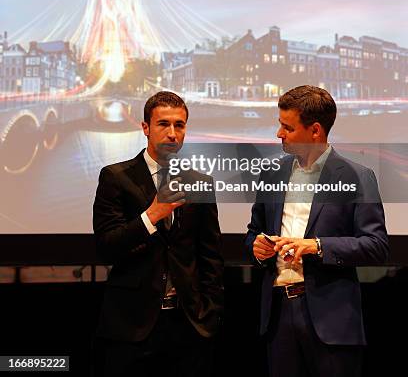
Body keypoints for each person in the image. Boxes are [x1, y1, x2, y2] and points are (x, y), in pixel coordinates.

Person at [245, 85, 389, 377]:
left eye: (287, 127)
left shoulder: (357, 176)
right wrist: (257, 248)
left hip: (331, 320)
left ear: (315, 131)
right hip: (278, 316)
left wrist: (317, 246)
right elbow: (254, 231)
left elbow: (376, 245)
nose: (279, 134)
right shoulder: (271, 173)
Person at [93, 91, 223, 377]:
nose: (173, 133)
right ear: (145, 128)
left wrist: (209, 314)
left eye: (180, 125)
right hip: (132, 324)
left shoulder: (200, 182)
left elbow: (210, 255)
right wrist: (151, 215)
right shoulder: (116, 177)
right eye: (164, 124)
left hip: (190, 323)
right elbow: (106, 246)